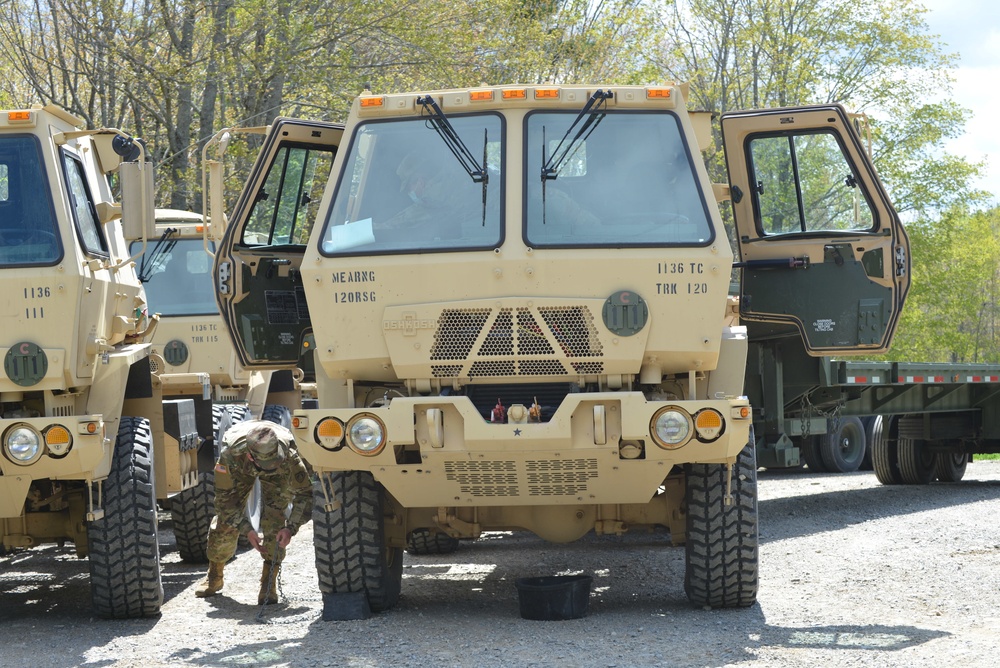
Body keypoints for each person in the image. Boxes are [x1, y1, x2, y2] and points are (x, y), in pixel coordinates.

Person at [194, 419, 313, 605]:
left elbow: (305, 495)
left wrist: (291, 528)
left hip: (278, 477)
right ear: (251, 457)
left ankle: (268, 582)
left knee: (275, 519)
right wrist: (246, 529)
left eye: (275, 461)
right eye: (268, 464)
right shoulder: (230, 456)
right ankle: (214, 576)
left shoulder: (288, 456)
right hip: (241, 469)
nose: (272, 466)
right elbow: (225, 503)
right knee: (226, 524)